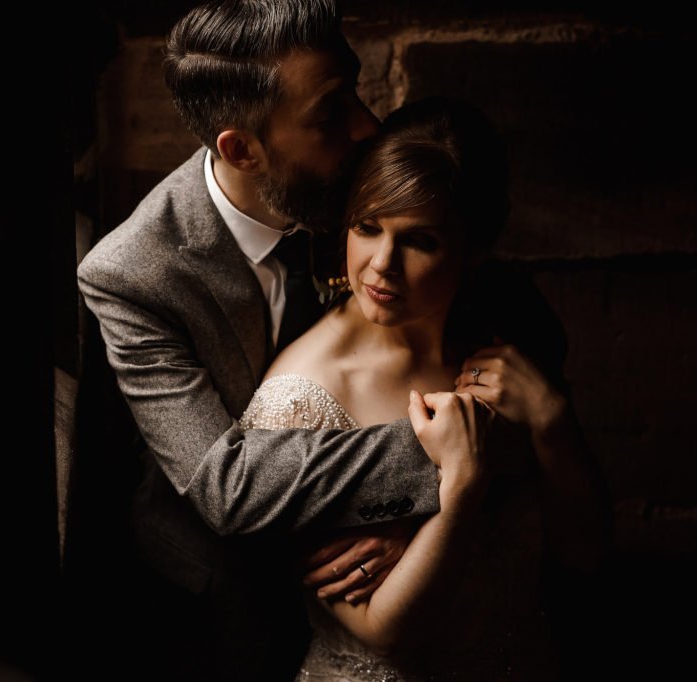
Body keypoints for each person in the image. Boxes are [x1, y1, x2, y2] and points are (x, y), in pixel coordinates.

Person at [75, 2, 488, 680]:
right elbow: (228, 485)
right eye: (330, 113)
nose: (367, 124)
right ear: (242, 148)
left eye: (355, 87)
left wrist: (416, 528)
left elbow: (484, 280)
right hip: (214, 609)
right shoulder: (131, 274)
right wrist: (450, 461)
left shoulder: (352, 172)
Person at [240, 95, 608, 680]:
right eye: (367, 227)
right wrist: (462, 488)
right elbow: (381, 633)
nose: (382, 263)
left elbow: (585, 554)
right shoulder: (301, 393)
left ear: (475, 248)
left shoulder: (508, 334)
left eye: (420, 241)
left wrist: (552, 423)